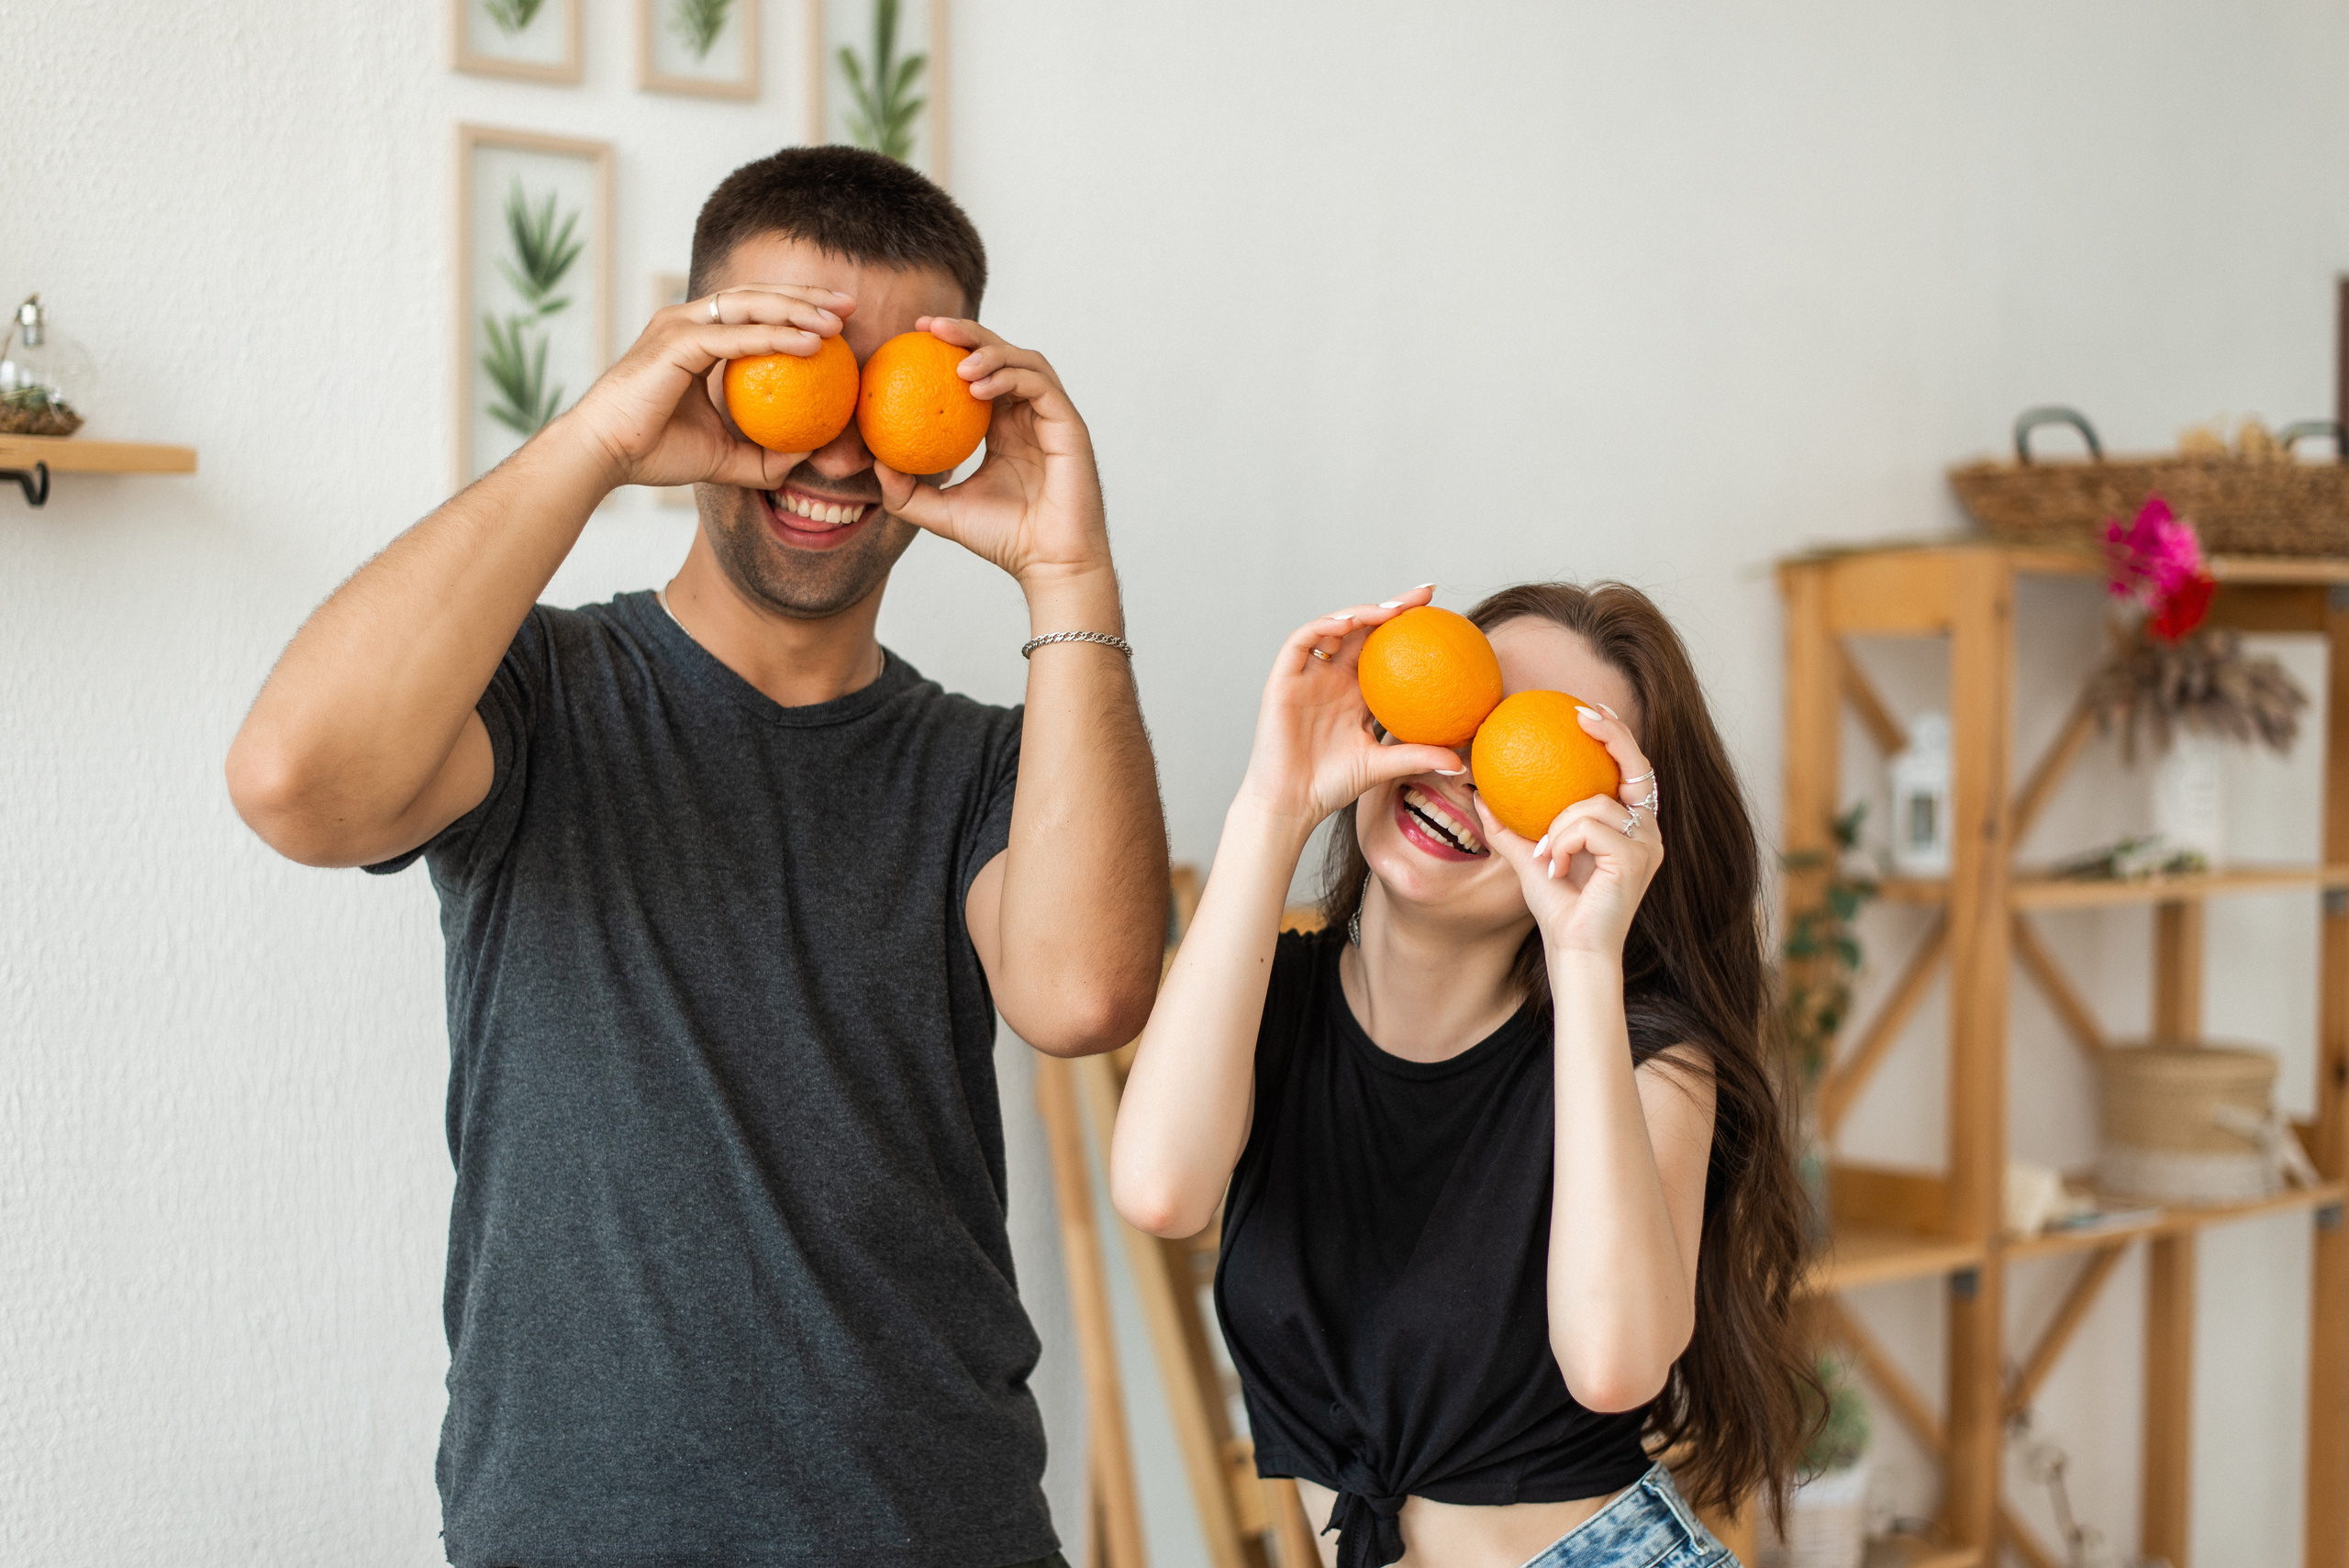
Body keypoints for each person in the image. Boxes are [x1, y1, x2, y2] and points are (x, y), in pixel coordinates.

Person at [225, 146, 1167, 1568]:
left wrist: (1070, 575)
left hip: (941, 1530)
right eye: (799, 367)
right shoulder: (534, 693)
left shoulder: (988, 763)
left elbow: (1086, 993)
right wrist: (597, 441)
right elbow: (296, 783)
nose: (841, 451)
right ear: (700, 362)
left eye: (886, 390)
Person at [1110, 581, 1812, 1568]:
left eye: (1531, 754)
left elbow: (1614, 1364)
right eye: (1462, 713)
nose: (1466, 777)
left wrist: (1582, 953)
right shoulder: (1274, 1000)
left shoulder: (1642, 1056)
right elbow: (1157, 1188)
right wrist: (1274, 800)